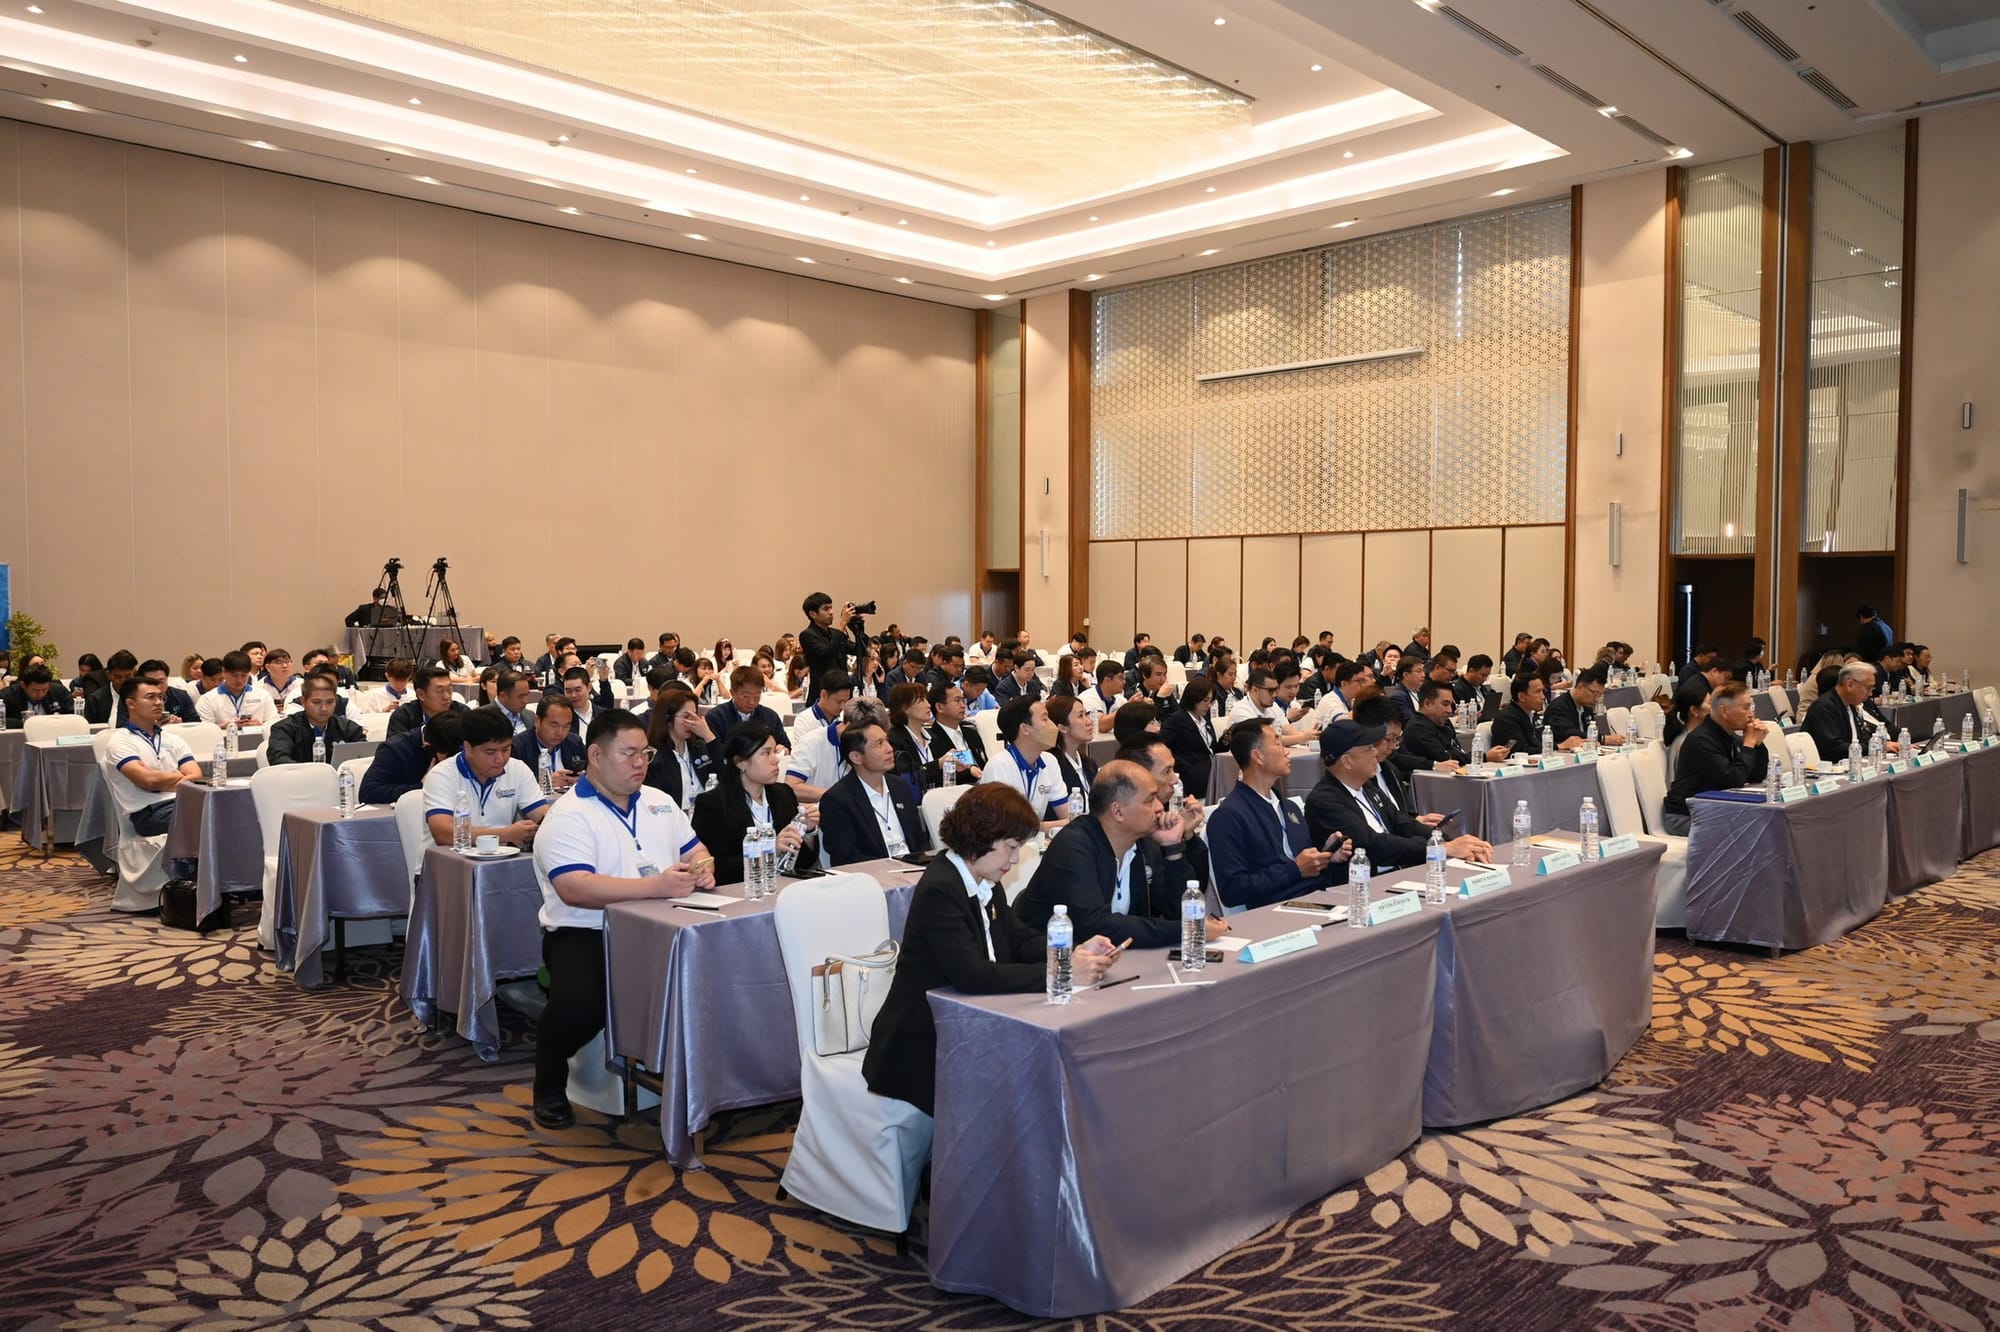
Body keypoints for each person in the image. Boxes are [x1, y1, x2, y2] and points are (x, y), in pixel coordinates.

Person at [863, 786, 1118, 1121]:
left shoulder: (983, 879)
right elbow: (973, 974)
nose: (1015, 860)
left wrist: (1070, 951)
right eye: (1011, 847)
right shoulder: (941, 887)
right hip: (923, 1043)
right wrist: (1061, 972)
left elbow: (1018, 939)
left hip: (971, 1023)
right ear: (981, 836)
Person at [531, 708, 713, 1129]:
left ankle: (706, 1078)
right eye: (628, 754)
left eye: (645, 753)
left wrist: (703, 868)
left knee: (719, 973)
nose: (639, 763)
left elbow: (697, 850)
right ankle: (549, 1083)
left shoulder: (659, 802)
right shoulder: (568, 815)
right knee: (580, 1003)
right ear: (595, 755)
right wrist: (657, 886)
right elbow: (575, 888)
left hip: (666, 924)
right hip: (587, 930)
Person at [1015, 759, 1229, 950]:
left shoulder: (1143, 843)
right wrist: (1185, 930)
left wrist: (1172, 848)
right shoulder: (1074, 846)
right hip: (1051, 965)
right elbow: (1096, 925)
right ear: (1117, 811)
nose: (1159, 807)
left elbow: (1178, 912)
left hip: (1116, 960)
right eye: (1149, 800)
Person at [1306, 719, 1493, 875]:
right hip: (1364, 885)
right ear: (1347, 761)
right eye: (1369, 749)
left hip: (1398, 871)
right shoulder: (1325, 801)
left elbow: (1402, 823)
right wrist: (1438, 849)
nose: (1375, 753)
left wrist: (1444, 841)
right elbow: (1372, 845)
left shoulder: (1368, 788)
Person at [1205, 718, 1347, 911]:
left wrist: (1327, 857)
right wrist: (1294, 870)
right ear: (1258, 757)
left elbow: (1304, 866)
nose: (1286, 751)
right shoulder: (1228, 816)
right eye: (1278, 744)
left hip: (1317, 899)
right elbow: (1232, 890)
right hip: (1275, 911)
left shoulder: (1290, 807)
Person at [691, 722, 818, 885]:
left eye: (774, 751)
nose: (776, 760)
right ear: (741, 762)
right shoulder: (713, 804)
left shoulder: (783, 794)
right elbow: (719, 868)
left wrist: (807, 831)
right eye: (766, 753)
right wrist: (769, 850)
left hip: (786, 888)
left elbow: (804, 864)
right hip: (740, 892)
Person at [422, 706, 552, 847]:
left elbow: (545, 817)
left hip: (500, 857)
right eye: (490, 752)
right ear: (468, 748)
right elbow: (443, 833)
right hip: (446, 858)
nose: (500, 759)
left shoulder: (518, 769)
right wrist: (506, 834)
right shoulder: (441, 775)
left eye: (506, 749)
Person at [104, 678, 204, 846]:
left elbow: (196, 775)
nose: (158, 703)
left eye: (161, 697)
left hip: (181, 802)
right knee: (210, 814)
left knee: (223, 808)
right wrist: (177, 775)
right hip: (148, 813)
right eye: (150, 697)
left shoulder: (173, 739)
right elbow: (148, 781)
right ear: (131, 703)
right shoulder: (120, 741)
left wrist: (159, 780)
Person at [1663, 682, 1772, 835]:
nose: (1751, 714)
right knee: (1750, 830)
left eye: (1751, 707)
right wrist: (1748, 744)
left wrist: (1757, 745)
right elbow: (1734, 779)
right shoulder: (1701, 741)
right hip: (1687, 816)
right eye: (1745, 708)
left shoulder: (1729, 736)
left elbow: (1756, 776)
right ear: (1724, 711)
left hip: (1715, 810)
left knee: (1765, 822)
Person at [819, 722, 931, 864]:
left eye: (887, 741)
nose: (889, 749)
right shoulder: (837, 799)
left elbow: (919, 839)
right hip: (872, 873)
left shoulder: (900, 786)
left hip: (914, 868)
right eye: (879, 744)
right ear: (856, 757)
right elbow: (846, 856)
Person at [978, 696, 1072, 823]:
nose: (1053, 726)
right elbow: (1006, 826)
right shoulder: (999, 766)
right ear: (1024, 729)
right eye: (1045, 719)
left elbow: (1068, 815)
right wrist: (1044, 827)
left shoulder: (1050, 761)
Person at [360, 710, 462, 805]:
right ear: (428, 746)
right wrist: (421, 787)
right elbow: (368, 792)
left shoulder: (460, 744)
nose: (451, 761)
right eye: (448, 756)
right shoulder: (394, 749)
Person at [643, 685, 717, 812]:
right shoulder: (653, 757)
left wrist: (709, 736)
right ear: (667, 718)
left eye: (695, 715)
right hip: (672, 818)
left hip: (705, 816)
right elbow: (654, 805)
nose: (692, 722)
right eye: (686, 717)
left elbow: (723, 776)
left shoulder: (699, 747)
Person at [1804, 663, 1898, 761]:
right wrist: (1876, 747)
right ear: (1850, 684)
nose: (1870, 694)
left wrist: (1883, 745)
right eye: (1868, 688)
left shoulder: (1850, 704)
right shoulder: (1824, 707)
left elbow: (1861, 739)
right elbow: (1834, 748)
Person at [265, 674, 365, 765]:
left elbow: (364, 758)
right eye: (317, 702)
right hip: (297, 778)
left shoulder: (349, 728)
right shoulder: (284, 729)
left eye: (330, 702)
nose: (324, 708)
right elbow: (278, 759)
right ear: (303, 701)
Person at [705, 665, 789, 760]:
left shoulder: (770, 716)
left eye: (756, 696)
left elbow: (786, 746)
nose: (751, 702)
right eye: (746, 696)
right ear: (732, 693)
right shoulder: (716, 717)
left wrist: (783, 749)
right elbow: (714, 753)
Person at [1159, 675, 1222, 800]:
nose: (1208, 705)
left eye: (1211, 701)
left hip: (1211, 773)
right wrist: (1185, 766)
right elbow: (1162, 747)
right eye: (1205, 701)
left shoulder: (1205, 720)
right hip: (1191, 778)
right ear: (1194, 698)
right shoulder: (1176, 720)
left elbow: (1211, 749)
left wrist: (1225, 741)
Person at [1396, 680, 1474, 774]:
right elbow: (1446, 759)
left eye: (1451, 705)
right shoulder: (1418, 728)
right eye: (1445, 704)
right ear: (1427, 704)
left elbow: (1457, 751)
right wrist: (1482, 757)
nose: (1449, 710)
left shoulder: (1444, 722)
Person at [513, 695, 584, 793]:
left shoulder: (575, 743)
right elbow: (513, 787)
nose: (560, 732)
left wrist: (583, 778)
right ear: (537, 721)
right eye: (554, 725)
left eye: (566, 726)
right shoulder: (517, 748)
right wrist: (544, 782)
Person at [1546, 664, 1625, 746]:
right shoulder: (1558, 707)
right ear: (1580, 687)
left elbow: (1591, 731)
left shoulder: (1587, 706)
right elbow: (1570, 734)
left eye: (1600, 695)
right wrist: (1602, 738)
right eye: (1595, 693)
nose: (1597, 699)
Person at [800, 592, 866, 688]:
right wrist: (842, 623)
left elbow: (861, 651)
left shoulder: (835, 633)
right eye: (826, 609)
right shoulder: (807, 635)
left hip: (843, 688)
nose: (831, 612)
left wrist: (859, 632)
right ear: (813, 614)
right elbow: (828, 653)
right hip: (823, 691)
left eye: (831, 608)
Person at [196, 651, 276, 729]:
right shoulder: (207, 699)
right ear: (223, 672)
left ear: (249, 673)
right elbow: (202, 731)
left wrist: (261, 726)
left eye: (243, 675)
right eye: (234, 676)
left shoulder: (263, 695)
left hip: (257, 737)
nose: (239, 680)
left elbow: (274, 724)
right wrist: (222, 726)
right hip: (222, 737)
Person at [387, 664, 470, 738]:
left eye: (449, 689)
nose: (447, 696)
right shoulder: (404, 716)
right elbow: (394, 748)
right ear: (421, 694)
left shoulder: (462, 712)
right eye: (440, 691)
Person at [886, 682, 942, 791]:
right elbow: (904, 775)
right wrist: (938, 764)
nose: (928, 705)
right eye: (921, 700)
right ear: (904, 708)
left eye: (926, 699)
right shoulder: (894, 739)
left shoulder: (932, 736)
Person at [927, 680, 985, 782]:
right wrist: (969, 771)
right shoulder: (930, 740)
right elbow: (939, 777)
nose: (963, 705)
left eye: (963, 700)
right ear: (940, 707)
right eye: (957, 700)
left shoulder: (971, 733)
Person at [1045, 695, 1097, 798]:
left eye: (1086, 714)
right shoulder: (1052, 767)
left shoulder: (1089, 764)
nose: (1089, 721)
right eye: (1080, 716)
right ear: (1062, 728)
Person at [1488, 673, 1551, 757]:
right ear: (1522, 696)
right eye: (1537, 692)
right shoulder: (1506, 719)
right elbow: (1520, 751)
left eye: (1542, 691)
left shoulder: (1532, 714)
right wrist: (1553, 747)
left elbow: (1540, 742)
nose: (1543, 697)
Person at [0, 662, 73, 723]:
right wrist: (27, 722)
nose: (41, 694)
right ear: (23, 685)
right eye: (35, 690)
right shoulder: (7, 696)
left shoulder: (59, 691)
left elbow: (74, 716)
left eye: (45, 689)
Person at [350, 658, 415, 716]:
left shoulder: (414, 696)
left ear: (409, 677)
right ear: (387, 676)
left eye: (403, 680)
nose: (399, 684)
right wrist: (384, 711)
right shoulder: (374, 695)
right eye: (395, 680)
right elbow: (366, 718)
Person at [1454, 654, 1501, 721]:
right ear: (1471, 671)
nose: (1485, 679)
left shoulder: (1483, 687)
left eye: (1487, 676)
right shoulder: (1458, 689)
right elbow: (1461, 716)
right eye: (1483, 675)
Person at [258, 648, 303, 718]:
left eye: (287, 661)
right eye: (279, 662)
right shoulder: (258, 687)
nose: (285, 665)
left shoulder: (302, 684)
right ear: (268, 667)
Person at [1389, 655, 1428, 723]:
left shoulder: (1421, 692)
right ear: (1406, 675)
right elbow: (1411, 721)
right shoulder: (1398, 697)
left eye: (1423, 671)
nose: (1423, 675)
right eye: (1419, 671)